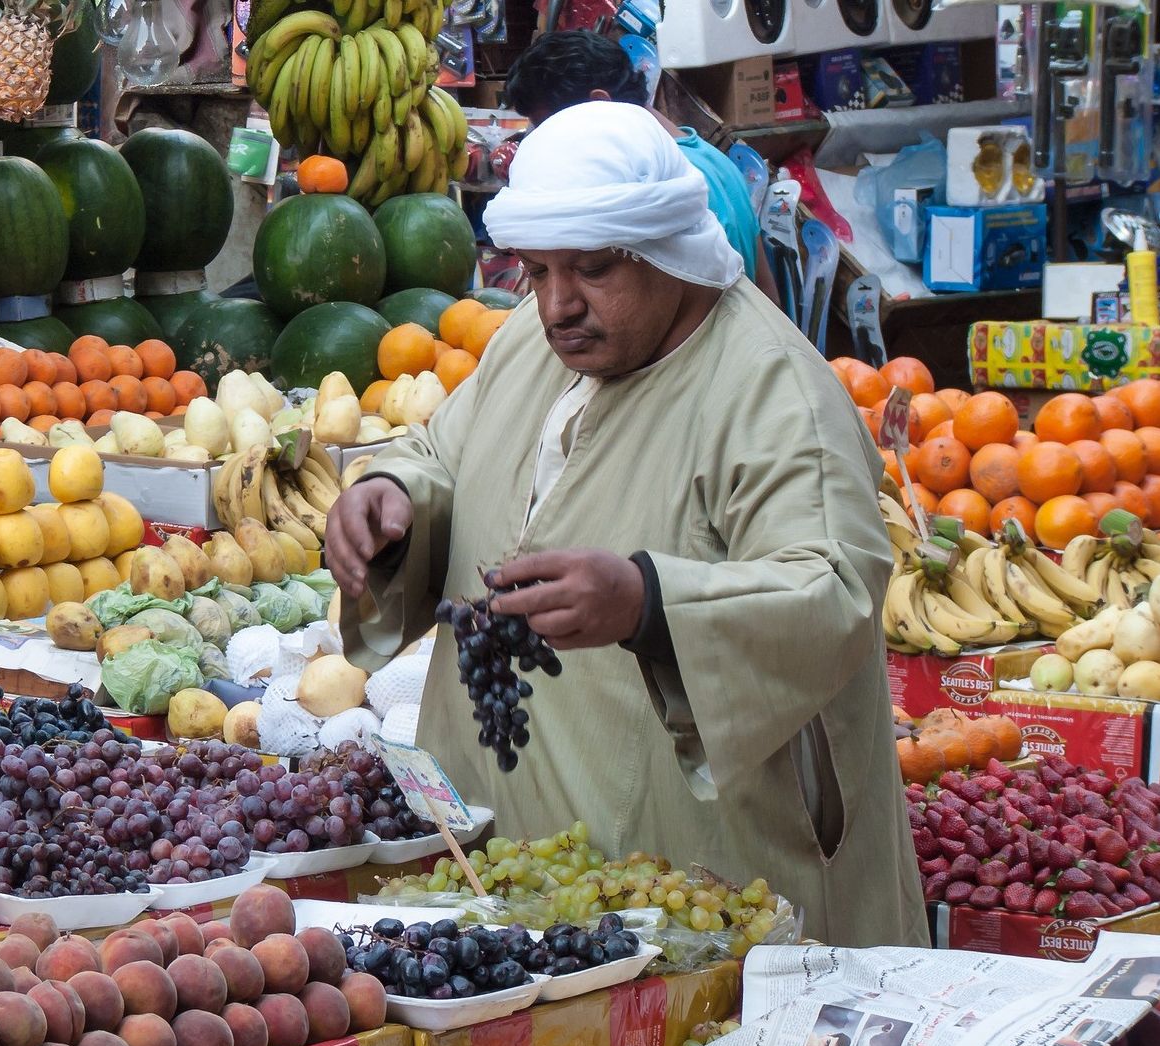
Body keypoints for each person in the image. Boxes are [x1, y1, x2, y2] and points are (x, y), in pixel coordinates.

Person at [325, 102, 926, 950]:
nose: (559, 304)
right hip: (517, 868)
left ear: (665, 252)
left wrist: (649, 602)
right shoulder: (534, 342)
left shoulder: (773, 392)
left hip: (699, 888)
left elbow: (833, 593)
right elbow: (444, 452)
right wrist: (388, 496)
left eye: (594, 269)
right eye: (536, 272)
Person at [505, 31, 779, 305]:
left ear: (598, 105)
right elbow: (768, 297)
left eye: (546, 127)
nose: (541, 143)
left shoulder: (658, 183)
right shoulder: (718, 160)